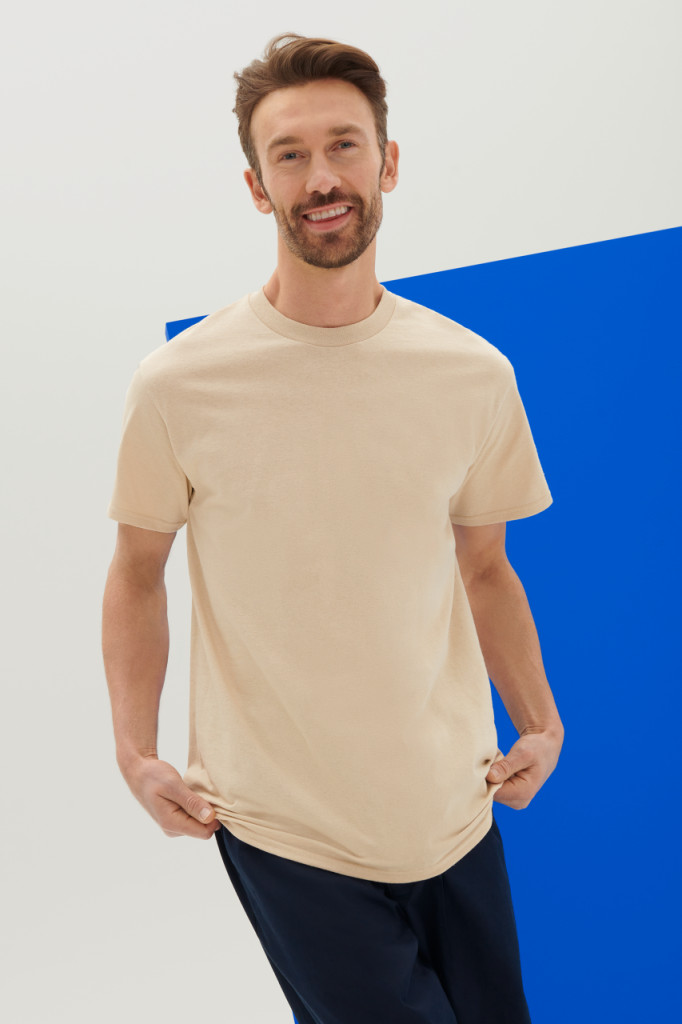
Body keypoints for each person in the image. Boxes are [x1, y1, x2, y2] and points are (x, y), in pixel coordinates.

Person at [102, 32, 564, 1024]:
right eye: (291, 154)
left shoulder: (470, 373)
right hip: (286, 827)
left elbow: (486, 568)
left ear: (387, 163)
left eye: (344, 146)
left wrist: (539, 719)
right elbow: (137, 569)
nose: (321, 178)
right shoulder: (181, 384)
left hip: (452, 808)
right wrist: (135, 751)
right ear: (256, 185)